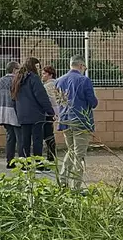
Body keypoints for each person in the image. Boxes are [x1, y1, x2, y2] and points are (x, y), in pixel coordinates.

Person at [56, 55, 98, 189]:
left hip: (65, 120)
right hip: (81, 121)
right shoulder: (84, 80)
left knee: (71, 151)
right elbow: (92, 102)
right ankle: (76, 186)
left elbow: (59, 102)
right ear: (80, 65)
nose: (84, 69)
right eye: (84, 67)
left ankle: (63, 181)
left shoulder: (59, 80)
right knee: (79, 155)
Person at [10, 57, 54, 164]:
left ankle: (26, 164)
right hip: (36, 115)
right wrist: (50, 111)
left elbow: (13, 98)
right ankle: (38, 164)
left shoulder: (17, 79)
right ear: (32, 66)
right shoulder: (34, 78)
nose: (38, 69)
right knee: (37, 141)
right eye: (37, 66)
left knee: (25, 141)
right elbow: (41, 96)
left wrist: (18, 112)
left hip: (22, 115)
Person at [0, 61, 21, 168]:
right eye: (19, 69)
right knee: (20, 137)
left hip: (3, 111)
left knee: (10, 138)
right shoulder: (16, 80)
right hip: (14, 111)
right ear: (14, 70)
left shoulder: (1, 80)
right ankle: (23, 162)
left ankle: (9, 161)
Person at [41, 65, 59, 163]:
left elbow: (47, 100)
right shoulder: (58, 83)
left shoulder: (46, 86)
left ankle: (51, 155)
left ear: (50, 75)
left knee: (47, 134)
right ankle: (51, 155)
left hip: (48, 112)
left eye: (44, 73)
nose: (42, 76)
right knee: (49, 133)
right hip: (56, 111)